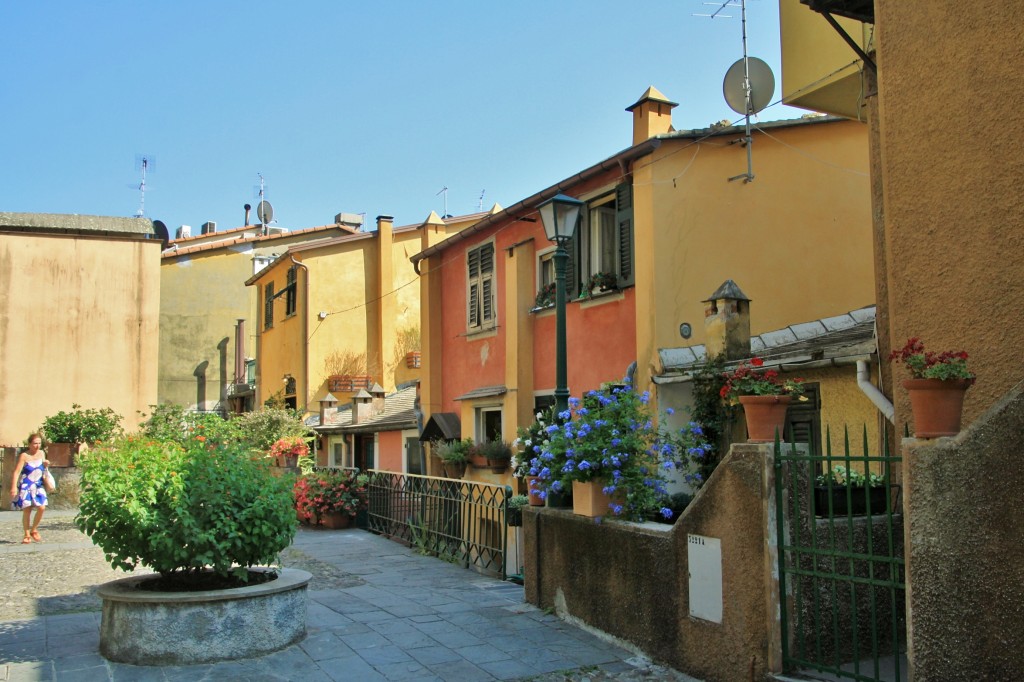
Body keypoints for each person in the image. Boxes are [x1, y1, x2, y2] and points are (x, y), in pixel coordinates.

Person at [9, 433, 50, 543]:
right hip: (27, 485)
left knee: (42, 507)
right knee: (27, 510)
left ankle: (34, 529)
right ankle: (26, 534)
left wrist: (46, 466)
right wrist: (13, 487)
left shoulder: (42, 453)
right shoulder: (24, 456)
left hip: (38, 485)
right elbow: (16, 472)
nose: (37, 446)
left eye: (39, 443)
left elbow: (43, 471)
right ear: (29, 444)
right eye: (35, 443)